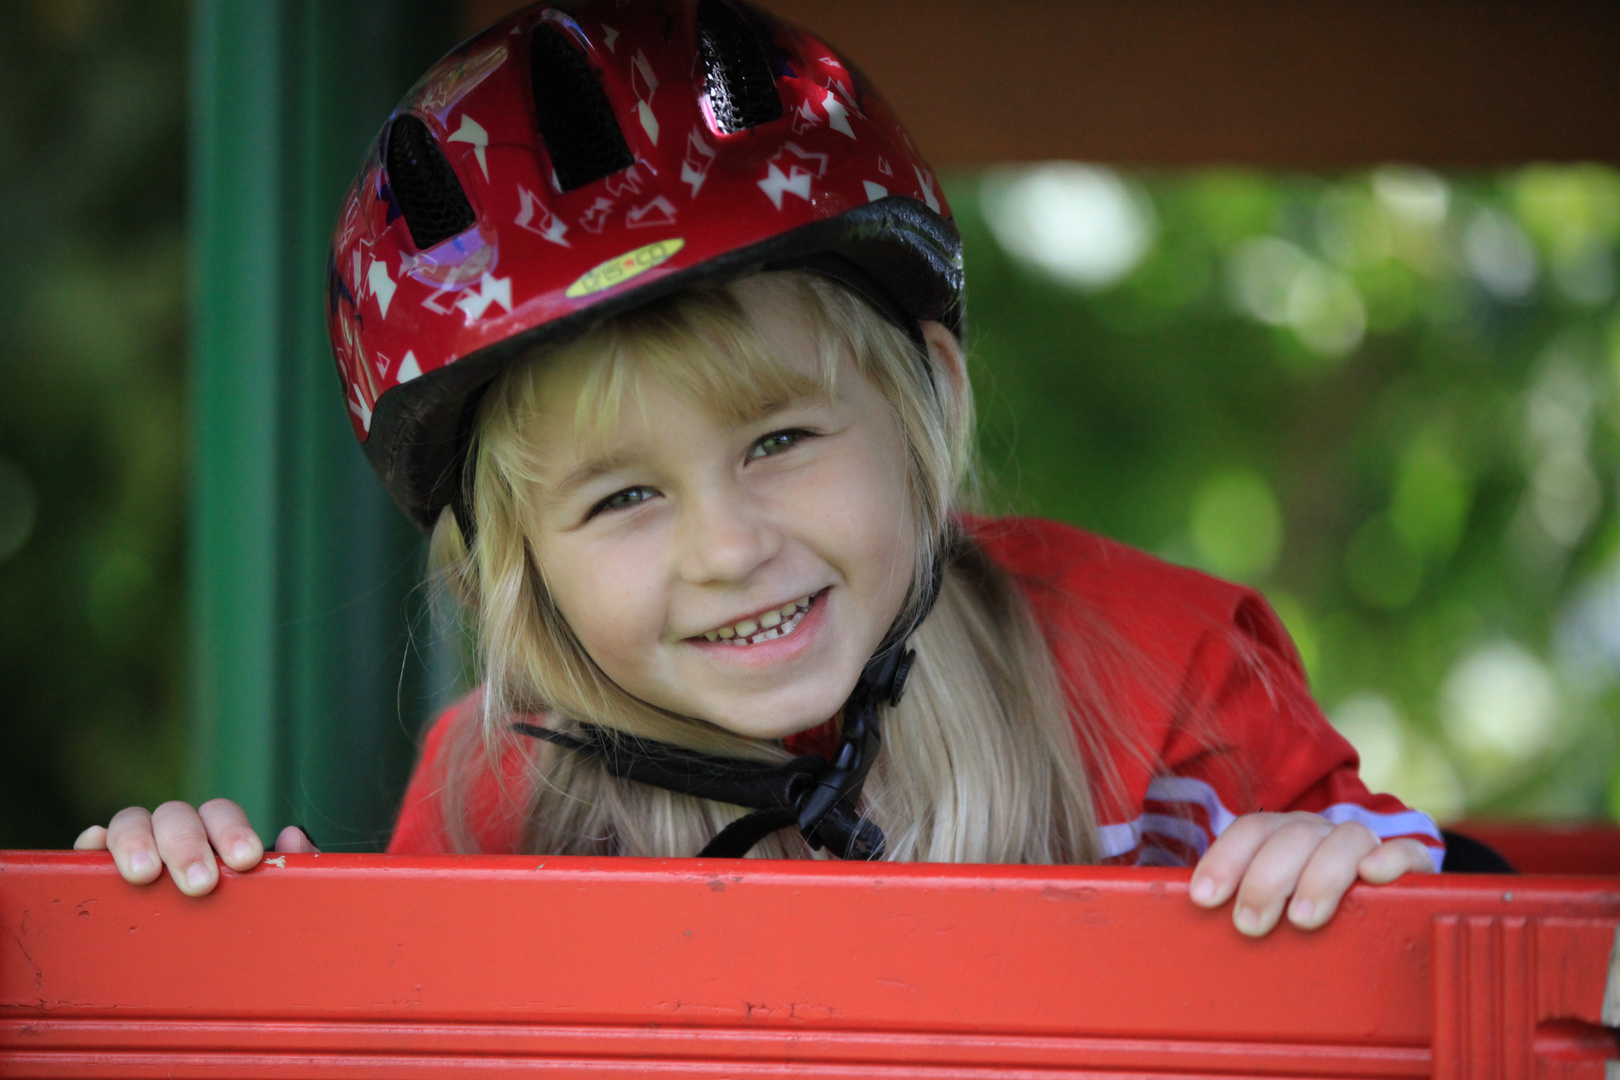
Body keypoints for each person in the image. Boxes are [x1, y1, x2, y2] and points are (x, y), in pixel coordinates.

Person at [76, 0, 1443, 938]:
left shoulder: (1156, 680)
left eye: (780, 442)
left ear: (930, 404)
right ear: (513, 562)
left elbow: (1470, 962)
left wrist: (1350, 882)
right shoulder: (492, 794)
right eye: (622, 498)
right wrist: (220, 930)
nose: (726, 546)